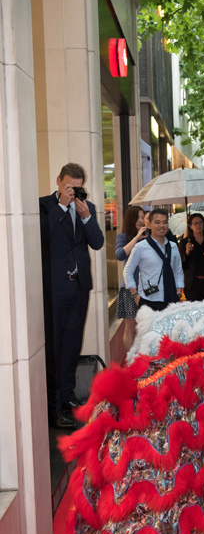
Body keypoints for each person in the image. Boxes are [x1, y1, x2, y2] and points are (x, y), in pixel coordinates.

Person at [40, 162, 104, 428]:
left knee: (71, 347)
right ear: (58, 181)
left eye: (78, 189)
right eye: (69, 187)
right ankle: (52, 407)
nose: (74, 193)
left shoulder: (85, 209)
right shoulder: (44, 207)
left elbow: (98, 242)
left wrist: (87, 217)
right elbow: (42, 237)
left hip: (79, 287)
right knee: (54, 349)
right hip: (55, 290)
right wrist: (61, 207)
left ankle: (67, 398)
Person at [124, 208, 184, 311]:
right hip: (148, 299)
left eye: (165, 222)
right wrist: (135, 295)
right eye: (157, 222)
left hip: (171, 299)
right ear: (149, 224)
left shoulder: (173, 246)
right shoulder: (141, 247)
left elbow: (178, 271)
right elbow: (128, 271)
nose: (161, 226)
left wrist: (178, 292)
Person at [115, 206, 148, 352]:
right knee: (130, 326)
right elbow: (120, 255)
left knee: (146, 324)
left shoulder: (149, 236)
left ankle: (144, 356)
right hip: (129, 287)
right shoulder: (123, 237)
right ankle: (130, 360)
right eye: (139, 217)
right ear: (131, 219)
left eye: (143, 217)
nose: (141, 220)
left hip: (147, 287)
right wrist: (136, 238)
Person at [179, 213, 204, 303]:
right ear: (190, 226)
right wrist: (187, 253)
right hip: (192, 284)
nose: (198, 225)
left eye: (200, 222)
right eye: (195, 223)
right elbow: (182, 264)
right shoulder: (185, 242)